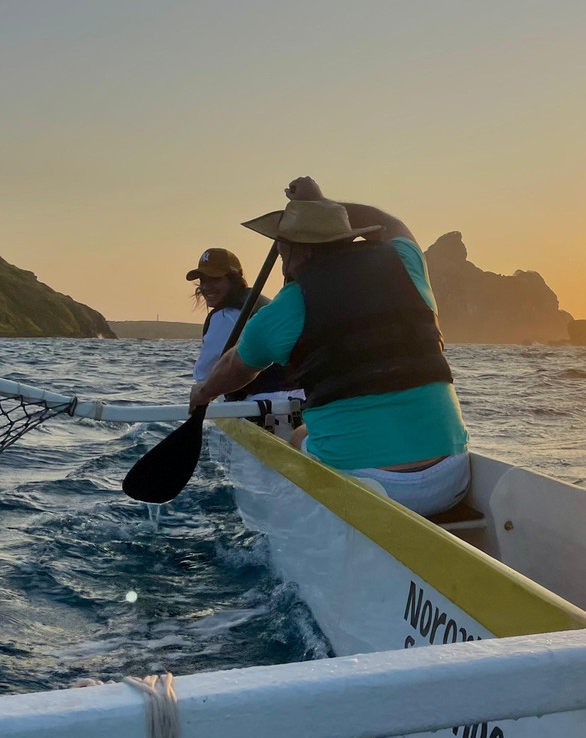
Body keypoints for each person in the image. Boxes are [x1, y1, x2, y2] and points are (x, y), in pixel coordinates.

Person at [189, 178, 470, 517]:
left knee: (296, 439)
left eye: (281, 245)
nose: (279, 253)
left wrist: (202, 393)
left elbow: (235, 368)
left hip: (370, 488)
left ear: (297, 249)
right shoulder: (406, 264)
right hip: (453, 476)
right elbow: (391, 224)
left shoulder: (286, 307)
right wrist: (323, 203)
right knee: (315, 429)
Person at [186, 248, 300, 402]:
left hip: (261, 402)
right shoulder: (262, 302)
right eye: (203, 280)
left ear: (233, 280)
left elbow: (203, 374)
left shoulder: (224, 316)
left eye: (215, 279)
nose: (206, 287)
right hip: (300, 395)